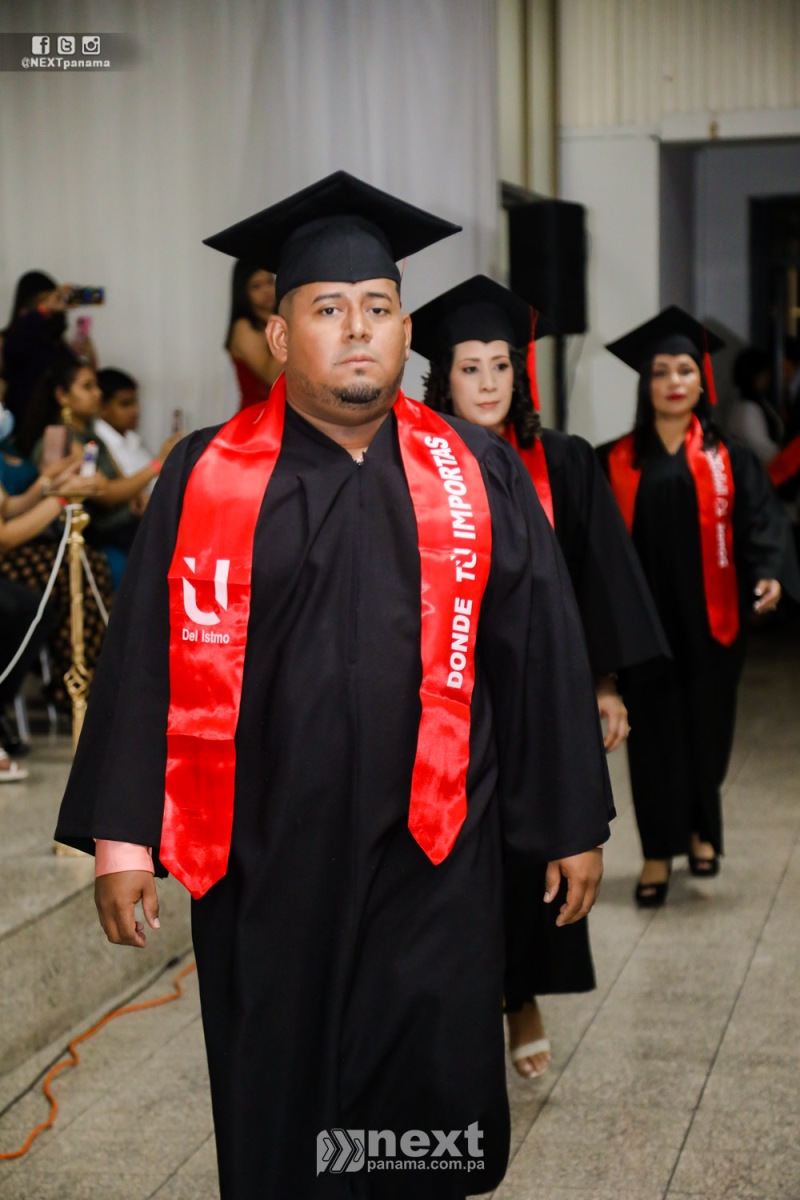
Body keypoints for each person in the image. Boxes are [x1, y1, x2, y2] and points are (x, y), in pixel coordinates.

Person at [55, 171, 614, 1200]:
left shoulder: (475, 473)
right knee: (284, 1105)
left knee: (425, 1109)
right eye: (326, 309)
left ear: (407, 330)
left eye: (378, 306)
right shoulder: (209, 475)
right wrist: (124, 841)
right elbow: (146, 661)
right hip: (267, 856)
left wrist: (570, 820)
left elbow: (539, 650)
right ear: (278, 336)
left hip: (437, 851)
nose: (358, 329)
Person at [412, 275, 668, 1079]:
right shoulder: (410, 464)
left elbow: (597, 582)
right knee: (452, 864)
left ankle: (520, 995)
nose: (489, 382)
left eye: (502, 366)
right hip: (445, 699)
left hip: (535, 696)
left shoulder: (564, 460)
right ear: (442, 379)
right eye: (470, 368)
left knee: (531, 854)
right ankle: (463, 1004)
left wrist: (604, 684)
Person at [598, 306, 800, 906]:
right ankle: (658, 855)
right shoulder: (615, 459)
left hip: (713, 622)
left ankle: (701, 831)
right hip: (644, 627)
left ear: (701, 379)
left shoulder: (728, 455)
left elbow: (762, 521)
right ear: (646, 383)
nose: (674, 382)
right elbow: (597, 545)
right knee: (654, 740)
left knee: (707, 735)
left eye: (685, 370)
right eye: (660, 372)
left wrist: (770, 574)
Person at [22, 360, 180, 587]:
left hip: (119, 527)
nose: (97, 393)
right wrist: (159, 463)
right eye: (87, 387)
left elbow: (120, 482)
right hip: (94, 535)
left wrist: (135, 500)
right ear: (62, 396)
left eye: (96, 386)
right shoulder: (62, 439)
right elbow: (107, 495)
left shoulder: (91, 436)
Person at [1, 271, 96, 428]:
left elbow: (74, 379)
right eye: (43, 302)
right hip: (26, 427)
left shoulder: (57, 343)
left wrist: (88, 359)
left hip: (60, 425)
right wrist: (44, 309)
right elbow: (15, 349)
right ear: (25, 309)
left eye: (53, 300)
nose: (51, 307)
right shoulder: (11, 339)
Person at [225, 259, 282, 408]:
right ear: (243, 291)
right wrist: (289, 327)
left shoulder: (276, 321)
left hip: (283, 413)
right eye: (257, 286)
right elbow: (271, 377)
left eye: (270, 282)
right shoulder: (244, 327)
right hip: (257, 415)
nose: (267, 290)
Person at [726, 347, 783, 466]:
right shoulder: (747, 409)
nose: (768, 378)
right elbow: (764, 451)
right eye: (765, 373)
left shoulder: (757, 403)